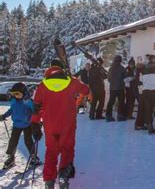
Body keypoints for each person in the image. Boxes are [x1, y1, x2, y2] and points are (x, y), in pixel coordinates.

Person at [31, 59, 89, 188]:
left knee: (51, 151)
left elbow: (36, 106)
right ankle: (63, 177)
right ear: (62, 68)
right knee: (67, 150)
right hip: (68, 124)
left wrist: (35, 124)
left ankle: (49, 181)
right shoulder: (72, 82)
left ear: (50, 69)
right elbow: (86, 90)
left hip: (50, 125)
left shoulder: (42, 85)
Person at [0, 82, 41, 170]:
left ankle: (34, 157)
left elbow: (35, 110)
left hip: (27, 125)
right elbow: (11, 110)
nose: (15, 96)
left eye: (17, 94)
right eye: (13, 94)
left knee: (28, 141)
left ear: (24, 92)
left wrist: (37, 120)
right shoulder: (13, 101)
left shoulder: (27, 101)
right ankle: (11, 157)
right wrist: (4, 115)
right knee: (13, 141)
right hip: (16, 125)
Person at [106, 55, 127, 122]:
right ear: (120, 61)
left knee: (111, 102)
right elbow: (126, 77)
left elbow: (108, 79)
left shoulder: (111, 68)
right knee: (121, 102)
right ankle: (120, 116)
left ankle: (108, 116)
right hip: (120, 87)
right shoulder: (122, 68)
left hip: (112, 88)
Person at [134, 58, 146, 130]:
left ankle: (140, 123)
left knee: (142, 107)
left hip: (139, 90)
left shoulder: (137, 71)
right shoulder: (140, 72)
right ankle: (139, 124)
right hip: (140, 91)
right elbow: (140, 83)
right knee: (142, 107)